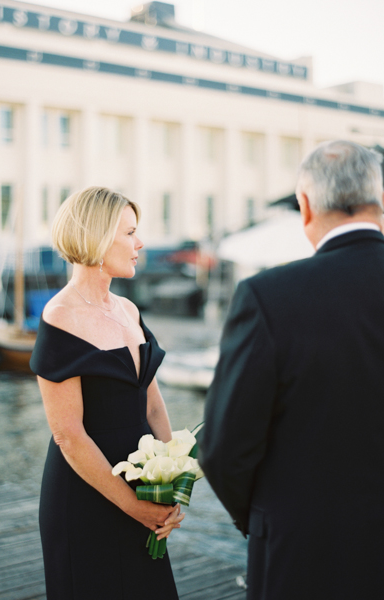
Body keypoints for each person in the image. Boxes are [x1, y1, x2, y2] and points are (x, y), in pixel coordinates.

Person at [200, 140, 384, 599]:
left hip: (302, 554)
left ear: (305, 205)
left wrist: (262, 516)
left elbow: (224, 448)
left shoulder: (269, 297)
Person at [30, 186, 184, 599]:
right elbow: (68, 434)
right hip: (87, 497)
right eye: (130, 233)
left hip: (143, 487)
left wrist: (173, 487)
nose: (140, 243)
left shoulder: (128, 310)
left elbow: (152, 402)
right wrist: (136, 507)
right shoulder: (60, 316)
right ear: (98, 238)